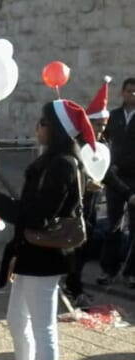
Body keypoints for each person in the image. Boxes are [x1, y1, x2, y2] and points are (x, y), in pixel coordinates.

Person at [0, 99, 95, 360]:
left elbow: (37, 216)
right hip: (30, 254)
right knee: (17, 319)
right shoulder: (51, 161)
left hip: (46, 257)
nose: (37, 127)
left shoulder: (62, 165)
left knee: (43, 328)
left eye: (42, 122)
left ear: (55, 129)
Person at [64, 77, 134, 307]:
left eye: (103, 127)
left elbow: (106, 174)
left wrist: (127, 193)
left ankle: (74, 286)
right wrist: (84, 184)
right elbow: (69, 175)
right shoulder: (78, 146)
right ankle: (72, 287)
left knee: (84, 247)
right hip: (72, 207)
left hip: (90, 206)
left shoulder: (99, 147)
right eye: (97, 126)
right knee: (74, 248)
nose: (101, 130)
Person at [97, 77, 135, 288]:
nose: (132, 95)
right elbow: (104, 141)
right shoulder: (114, 116)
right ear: (122, 92)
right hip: (115, 178)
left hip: (133, 177)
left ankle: (131, 272)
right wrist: (107, 164)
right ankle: (108, 270)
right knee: (113, 226)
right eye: (129, 91)